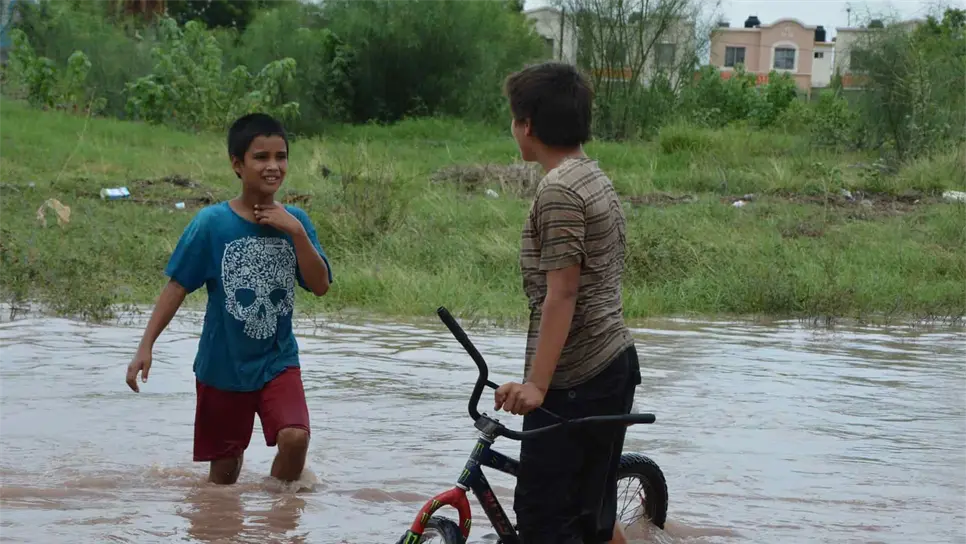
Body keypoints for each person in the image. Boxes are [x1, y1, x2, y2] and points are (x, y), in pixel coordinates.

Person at [125, 112, 333, 486]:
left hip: (277, 359)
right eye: (261, 157)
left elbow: (320, 285)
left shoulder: (296, 222)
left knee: (295, 438)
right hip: (222, 367)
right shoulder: (210, 224)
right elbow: (176, 287)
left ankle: (277, 517)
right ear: (237, 165)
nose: (273, 167)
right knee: (223, 476)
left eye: (281, 157)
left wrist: (297, 233)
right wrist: (146, 345)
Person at [493, 62, 642, 544]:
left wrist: (537, 385)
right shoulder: (591, 175)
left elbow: (564, 291)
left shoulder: (558, 190)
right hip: (609, 364)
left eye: (514, 118)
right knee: (590, 515)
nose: (513, 128)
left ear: (529, 124)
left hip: (577, 380)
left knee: (543, 520)